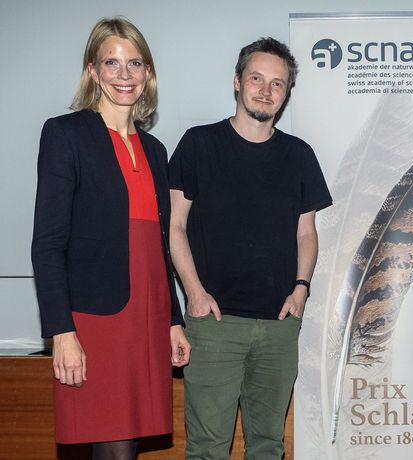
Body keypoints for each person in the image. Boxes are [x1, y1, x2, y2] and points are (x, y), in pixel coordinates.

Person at [31, 17, 190, 459]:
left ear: (148, 72)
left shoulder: (155, 151)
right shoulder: (65, 135)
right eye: (111, 63)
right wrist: (61, 331)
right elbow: (47, 243)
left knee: (128, 443)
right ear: (93, 71)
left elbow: (159, 246)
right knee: (112, 446)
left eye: (135, 63)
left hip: (147, 316)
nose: (124, 74)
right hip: (96, 321)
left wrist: (172, 320)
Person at [168, 37, 332, 460]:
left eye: (277, 83)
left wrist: (301, 289)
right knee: (207, 448)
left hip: (279, 326)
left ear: (286, 93)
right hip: (214, 323)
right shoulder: (198, 144)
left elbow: (306, 233)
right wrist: (194, 293)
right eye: (257, 78)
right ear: (237, 81)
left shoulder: (299, 155)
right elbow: (175, 227)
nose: (266, 90)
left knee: (268, 446)